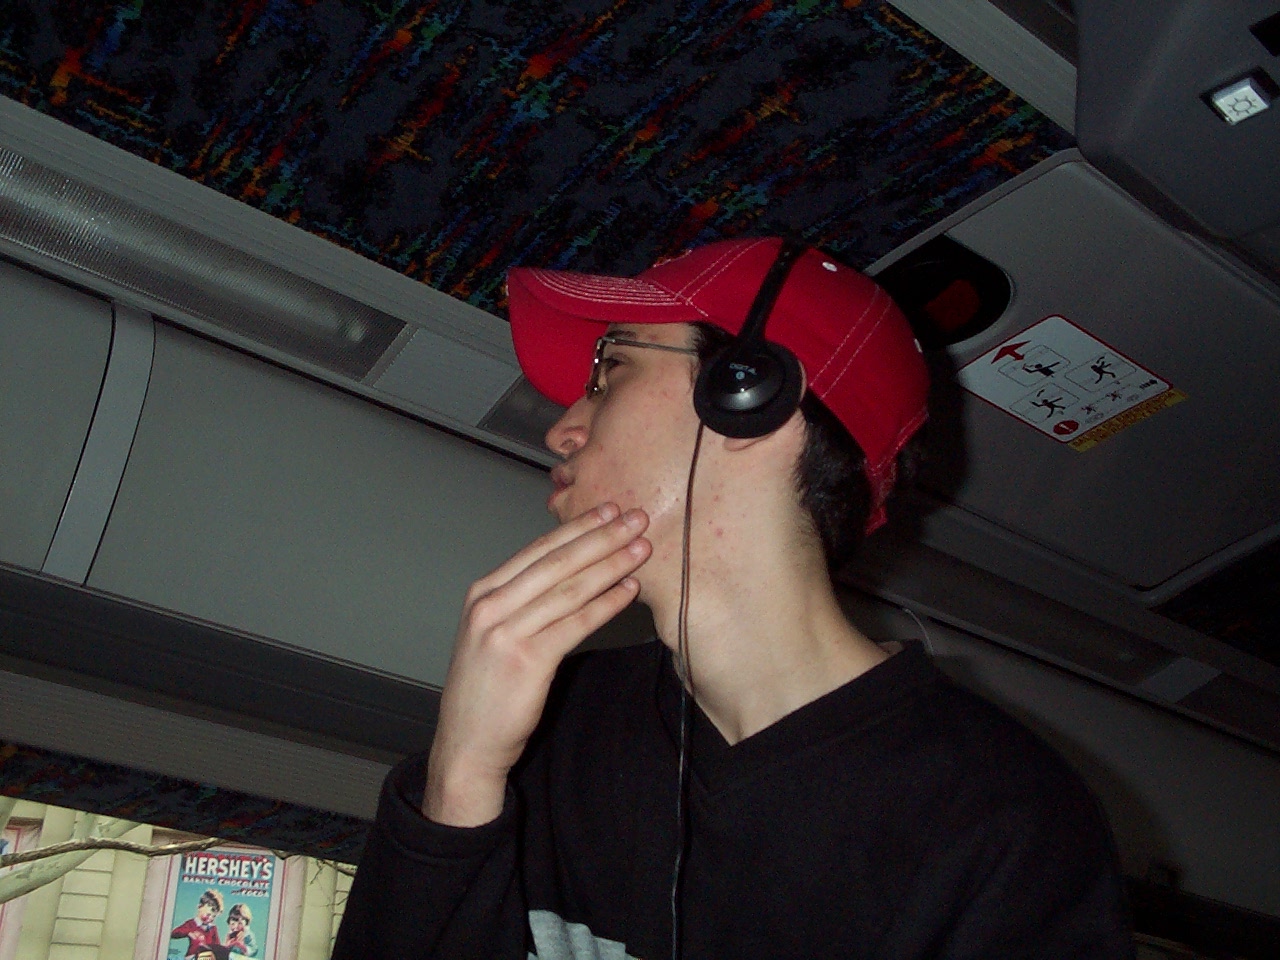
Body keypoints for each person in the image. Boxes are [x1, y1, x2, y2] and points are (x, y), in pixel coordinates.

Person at [333, 237, 1133, 959]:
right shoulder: (550, 730)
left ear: (748, 393)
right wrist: (461, 776)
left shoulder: (1001, 814)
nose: (562, 430)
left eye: (609, 371)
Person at [171, 888, 223, 958]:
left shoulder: (212, 928)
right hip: (192, 956)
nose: (210, 918)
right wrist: (189, 933)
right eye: (208, 914)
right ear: (199, 907)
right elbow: (174, 933)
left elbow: (217, 946)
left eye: (213, 916)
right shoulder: (191, 924)